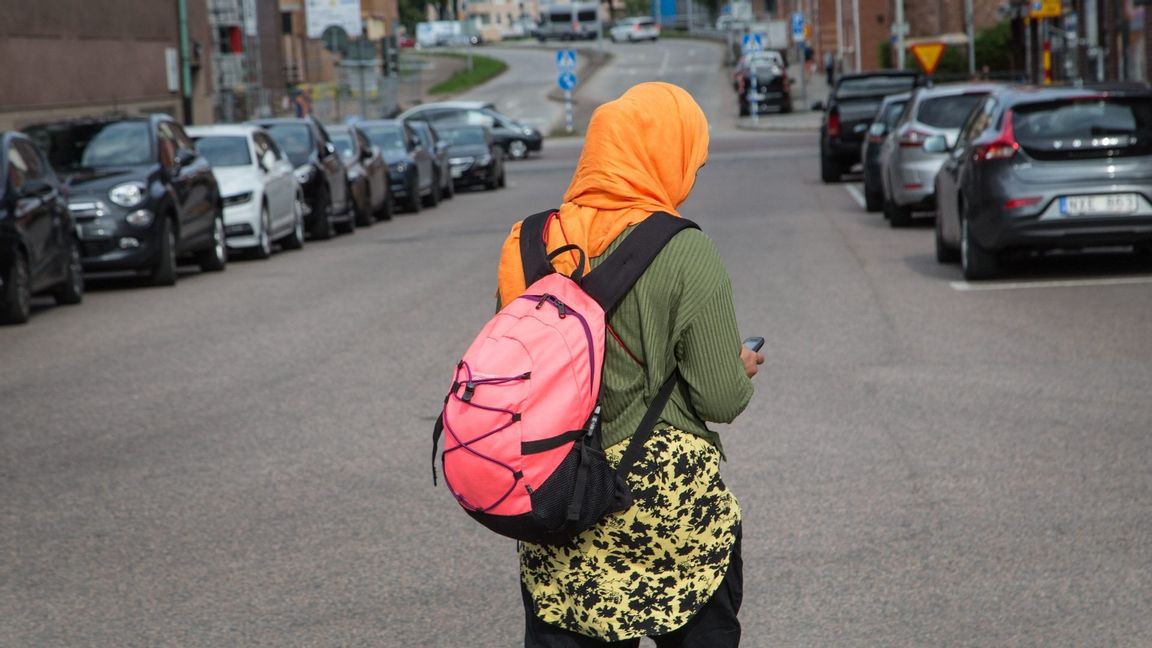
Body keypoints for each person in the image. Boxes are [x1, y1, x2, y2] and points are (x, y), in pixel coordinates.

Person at [495, 82, 764, 648]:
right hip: (667, 507)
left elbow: (514, 375)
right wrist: (738, 366)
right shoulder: (684, 249)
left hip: (559, 498)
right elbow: (722, 399)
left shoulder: (527, 241)